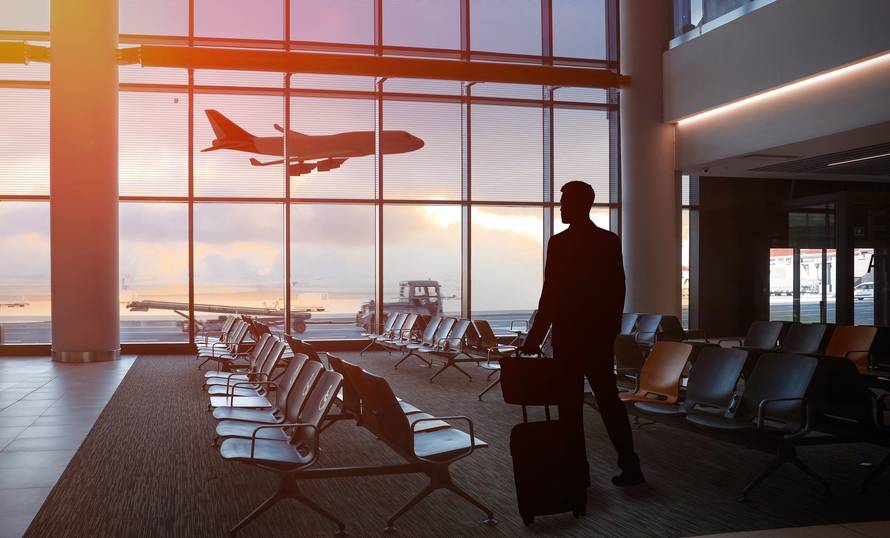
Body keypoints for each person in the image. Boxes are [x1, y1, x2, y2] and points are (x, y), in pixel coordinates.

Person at [520, 180, 644, 487]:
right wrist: (610, 333)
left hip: (569, 338)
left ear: (579, 204)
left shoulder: (559, 243)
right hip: (597, 339)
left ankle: (578, 470)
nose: (560, 208)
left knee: (570, 407)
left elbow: (550, 295)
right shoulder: (608, 241)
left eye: (564, 203)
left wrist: (534, 339)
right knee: (609, 402)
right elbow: (618, 290)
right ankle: (631, 465)